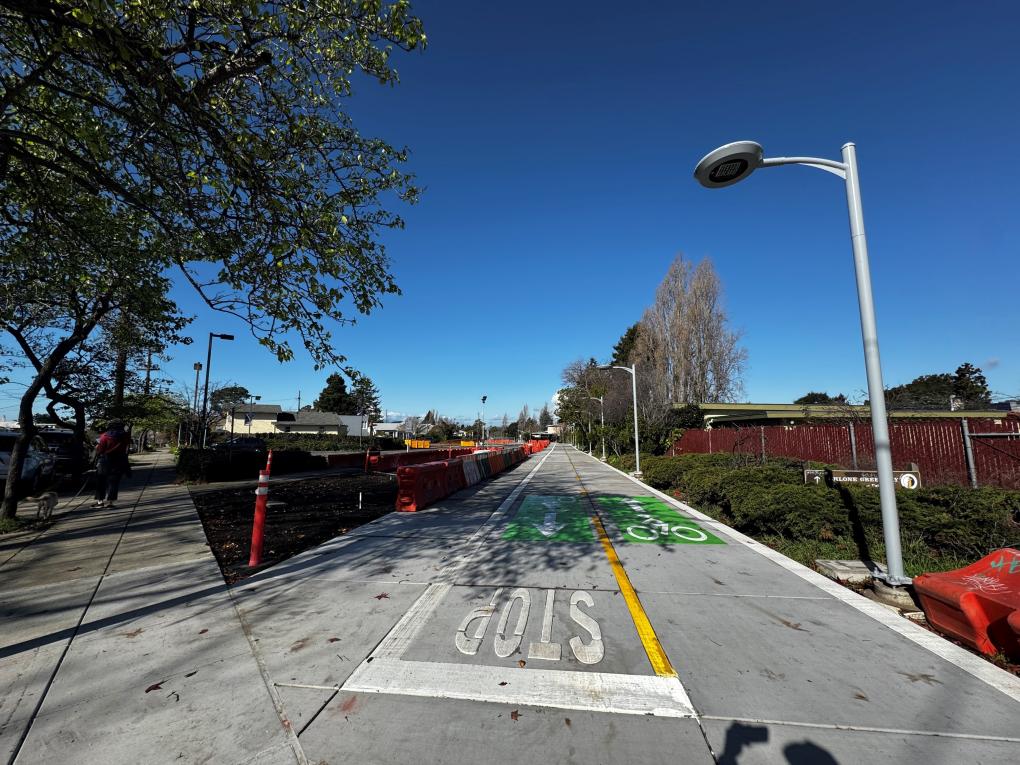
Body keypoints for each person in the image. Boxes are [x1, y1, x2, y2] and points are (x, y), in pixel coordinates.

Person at [93, 421, 132, 508]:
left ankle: (100, 502)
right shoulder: (125, 436)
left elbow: (100, 450)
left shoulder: (105, 436)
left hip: (105, 461)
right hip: (119, 461)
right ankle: (111, 503)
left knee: (101, 481)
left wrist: (97, 449)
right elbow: (126, 446)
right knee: (114, 482)